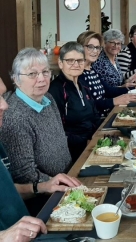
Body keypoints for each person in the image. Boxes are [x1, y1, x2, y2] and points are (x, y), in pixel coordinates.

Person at [0, 77, 80, 239]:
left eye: (2, 96)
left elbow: (6, 192)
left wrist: (42, 186)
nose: (4, 105)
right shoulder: (16, 116)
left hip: (33, 231)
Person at [0, 49, 72, 184]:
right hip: (46, 194)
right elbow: (24, 174)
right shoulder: (15, 117)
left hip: (68, 174)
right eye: (32, 74)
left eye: (45, 72)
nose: (41, 79)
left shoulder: (48, 98)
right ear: (16, 79)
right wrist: (59, 183)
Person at [49, 42, 101, 162]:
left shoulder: (83, 86)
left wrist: (103, 134)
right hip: (72, 152)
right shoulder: (55, 91)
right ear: (61, 63)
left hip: (93, 145)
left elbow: (95, 116)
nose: (76, 64)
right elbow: (57, 132)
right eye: (70, 61)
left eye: (79, 60)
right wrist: (86, 143)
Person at [77, 31, 136, 118]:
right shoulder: (78, 74)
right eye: (90, 47)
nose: (95, 51)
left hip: (106, 115)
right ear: (80, 48)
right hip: (98, 121)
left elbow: (109, 90)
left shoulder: (92, 69)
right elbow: (89, 105)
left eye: (97, 47)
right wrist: (115, 101)